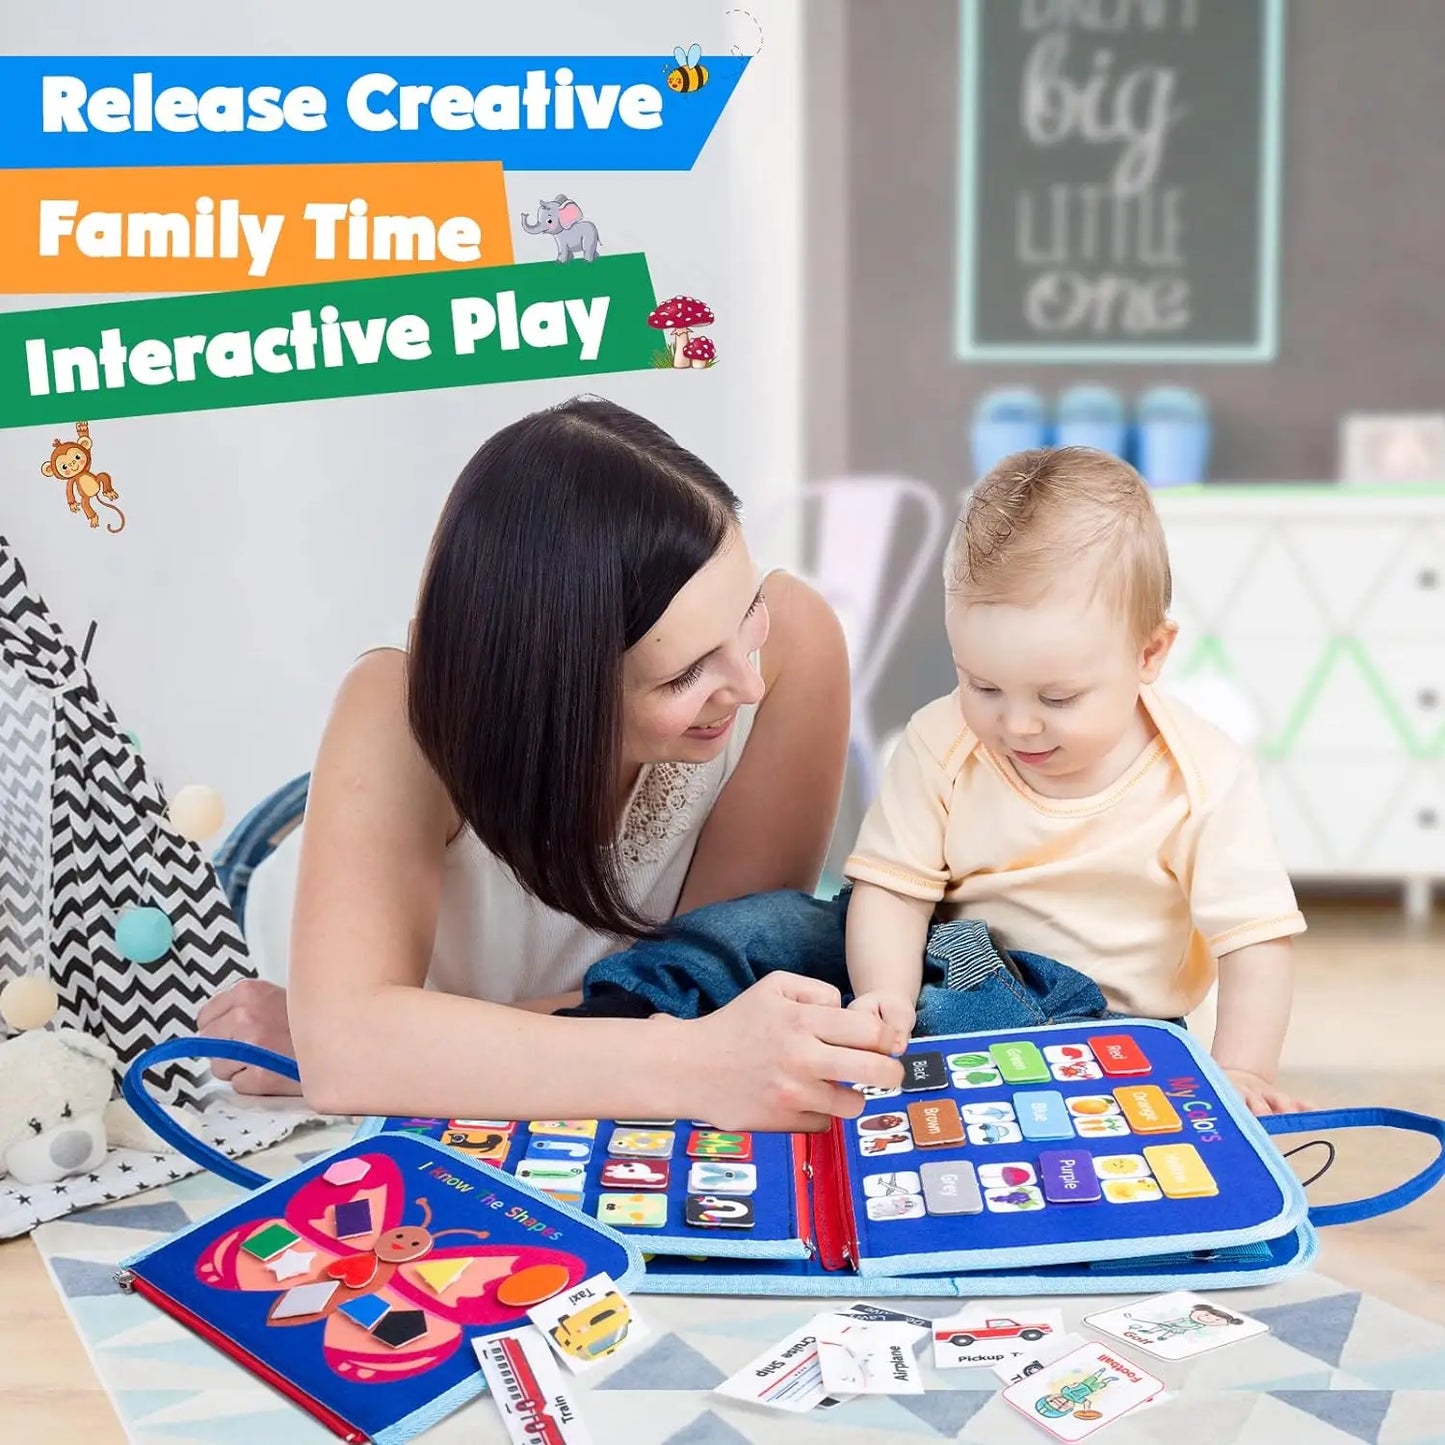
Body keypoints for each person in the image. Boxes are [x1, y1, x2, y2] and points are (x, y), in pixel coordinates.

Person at [195, 395, 904, 1127]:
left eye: (744, 616)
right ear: (551, 689)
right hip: (259, 960)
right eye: (681, 675)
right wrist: (352, 1040)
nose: (746, 684)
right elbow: (350, 1054)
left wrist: (405, 1044)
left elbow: (696, 983)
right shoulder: (395, 709)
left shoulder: (792, 648)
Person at [844, 446, 1310, 1115]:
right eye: (982, 684)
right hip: (959, 973)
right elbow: (890, 888)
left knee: (990, 1025)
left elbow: (1254, 940)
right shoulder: (941, 739)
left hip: (1111, 1028)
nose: (1017, 724)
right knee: (781, 929)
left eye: (1056, 698)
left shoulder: (1201, 777)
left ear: (1148, 653)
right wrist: (882, 996)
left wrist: (1239, 1069)